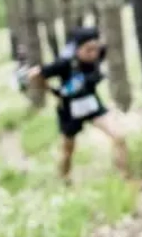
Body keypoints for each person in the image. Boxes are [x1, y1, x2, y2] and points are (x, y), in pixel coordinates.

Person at [28, 25, 130, 183]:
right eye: (88, 50)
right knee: (67, 151)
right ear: (77, 49)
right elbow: (34, 73)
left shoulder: (98, 55)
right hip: (69, 112)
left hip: (92, 106)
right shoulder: (65, 63)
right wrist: (51, 90)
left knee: (119, 136)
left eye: (95, 49)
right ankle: (64, 180)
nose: (93, 54)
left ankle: (124, 179)